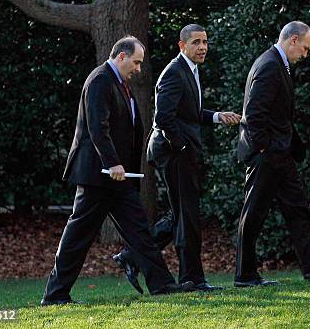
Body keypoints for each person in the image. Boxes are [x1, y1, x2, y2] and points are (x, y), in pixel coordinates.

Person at [41, 36, 192, 306]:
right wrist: (112, 163)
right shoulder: (100, 80)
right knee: (78, 237)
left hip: (117, 179)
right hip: (98, 175)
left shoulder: (121, 83)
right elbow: (98, 129)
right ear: (120, 56)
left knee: (140, 232)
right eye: (136, 62)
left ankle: (162, 284)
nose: (138, 68)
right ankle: (55, 295)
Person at [113, 24, 240, 293]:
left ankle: (132, 256)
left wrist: (217, 116)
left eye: (205, 41)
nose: (203, 47)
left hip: (178, 151)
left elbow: (188, 111)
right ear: (182, 46)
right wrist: (182, 147)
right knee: (187, 215)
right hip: (173, 153)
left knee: (181, 215)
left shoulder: (190, 71)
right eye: (196, 42)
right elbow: (164, 117)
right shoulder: (173, 72)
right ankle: (192, 279)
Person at [235, 21, 310, 287]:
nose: (305, 55)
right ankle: (245, 275)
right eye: (305, 49)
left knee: (298, 209)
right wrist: (265, 147)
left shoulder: (277, 63)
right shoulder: (269, 66)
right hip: (267, 155)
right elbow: (254, 114)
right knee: (253, 214)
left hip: (280, 154)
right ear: (293, 40)